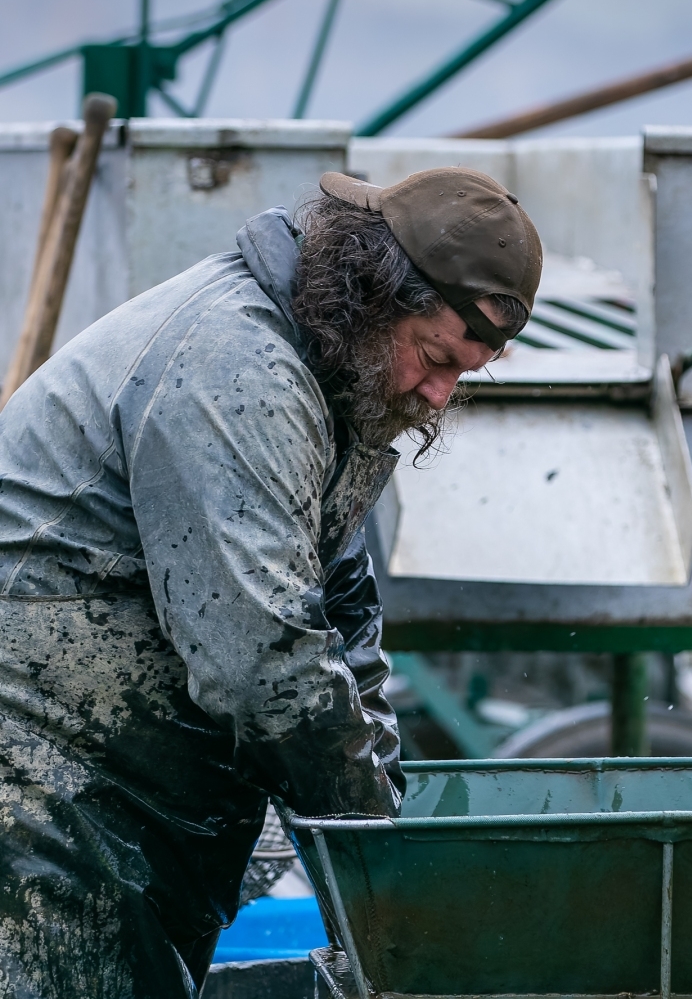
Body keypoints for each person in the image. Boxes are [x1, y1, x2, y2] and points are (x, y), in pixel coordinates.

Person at [0, 167, 541, 996]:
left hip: (131, 799)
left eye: (463, 374)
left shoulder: (338, 380)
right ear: (369, 297)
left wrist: (387, 827)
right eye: (435, 358)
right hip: (44, 790)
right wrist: (388, 897)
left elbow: (341, 624)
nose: (439, 396)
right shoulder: (235, 368)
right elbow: (264, 667)